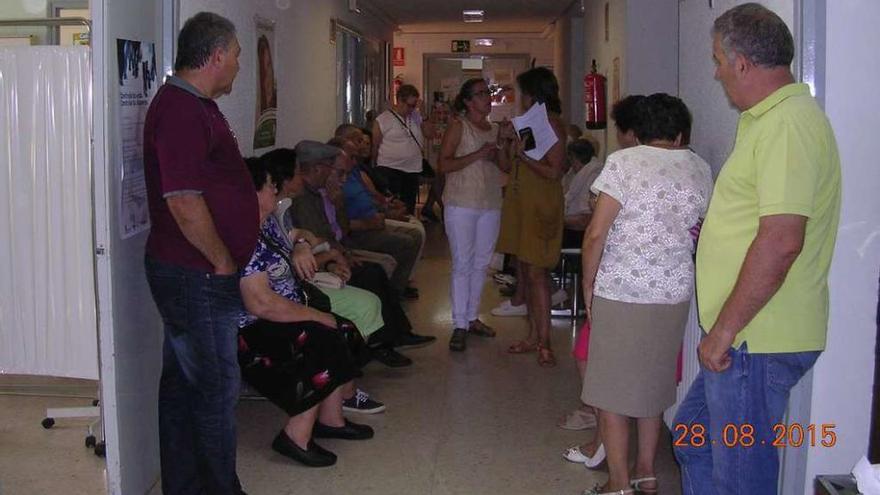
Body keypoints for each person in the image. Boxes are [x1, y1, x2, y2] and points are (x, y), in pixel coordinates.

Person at [674, 4, 841, 495]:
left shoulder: (787, 125)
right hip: (746, 338)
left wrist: (723, 331)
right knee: (692, 440)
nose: (716, 71)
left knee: (740, 480)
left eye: (718, 59)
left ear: (742, 62)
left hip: (754, 340)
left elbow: (782, 240)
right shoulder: (769, 121)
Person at [142, 12, 255, 495]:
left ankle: (186, 487)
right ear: (215, 56)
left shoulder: (198, 106)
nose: (238, 67)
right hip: (197, 275)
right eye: (236, 56)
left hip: (195, 274)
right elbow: (183, 200)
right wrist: (222, 262)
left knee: (186, 390)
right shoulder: (182, 111)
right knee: (215, 392)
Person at [579, 94, 714, 495]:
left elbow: (597, 232)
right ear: (679, 133)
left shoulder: (625, 162)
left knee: (611, 391)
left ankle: (618, 484)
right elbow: (702, 230)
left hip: (622, 289)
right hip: (673, 292)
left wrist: (589, 284)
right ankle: (646, 473)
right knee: (654, 387)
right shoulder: (700, 168)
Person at [239, 157, 374, 467]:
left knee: (343, 329)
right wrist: (313, 315)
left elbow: (294, 238)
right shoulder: (244, 239)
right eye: (271, 187)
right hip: (257, 326)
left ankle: (331, 419)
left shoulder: (267, 225)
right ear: (251, 193)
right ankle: (294, 437)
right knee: (323, 337)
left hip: (287, 311)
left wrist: (300, 244)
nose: (276, 192)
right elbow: (260, 304)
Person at [496, 67, 568, 367]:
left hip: (540, 202)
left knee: (537, 273)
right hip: (519, 200)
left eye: (522, 92)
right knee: (524, 271)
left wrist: (524, 155)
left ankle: (545, 341)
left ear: (533, 95)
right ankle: (532, 335)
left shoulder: (550, 123)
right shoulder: (524, 123)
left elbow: (554, 170)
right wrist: (505, 141)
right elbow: (504, 164)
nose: (519, 98)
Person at [437, 78, 502, 351]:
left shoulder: (495, 128)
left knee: (482, 263)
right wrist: (477, 154)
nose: (487, 98)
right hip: (461, 202)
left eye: (488, 92)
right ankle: (459, 323)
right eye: (480, 94)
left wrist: (506, 147)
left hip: (490, 202)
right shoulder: (458, 126)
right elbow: (443, 164)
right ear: (467, 101)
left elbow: (502, 163)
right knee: (462, 262)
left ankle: (473, 316)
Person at [371, 84, 427, 215]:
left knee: (408, 206)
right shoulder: (383, 119)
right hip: (389, 168)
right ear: (400, 100)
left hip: (412, 169)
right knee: (393, 205)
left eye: (414, 105)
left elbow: (430, 133)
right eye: (409, 105)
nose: (412, 109)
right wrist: (373, 166)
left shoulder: (416, 117)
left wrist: (423, 115)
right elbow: (375, 145)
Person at [422, 100, 453, 222]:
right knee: (438, 182)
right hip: (433, 160)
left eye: (445, 113)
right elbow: (429, 135)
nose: (442, 116)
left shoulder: (453, 125)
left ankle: (428, 207)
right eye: (438, 113)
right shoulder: (429, 124)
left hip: (445, 159)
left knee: (441, 183)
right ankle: (444, 209)